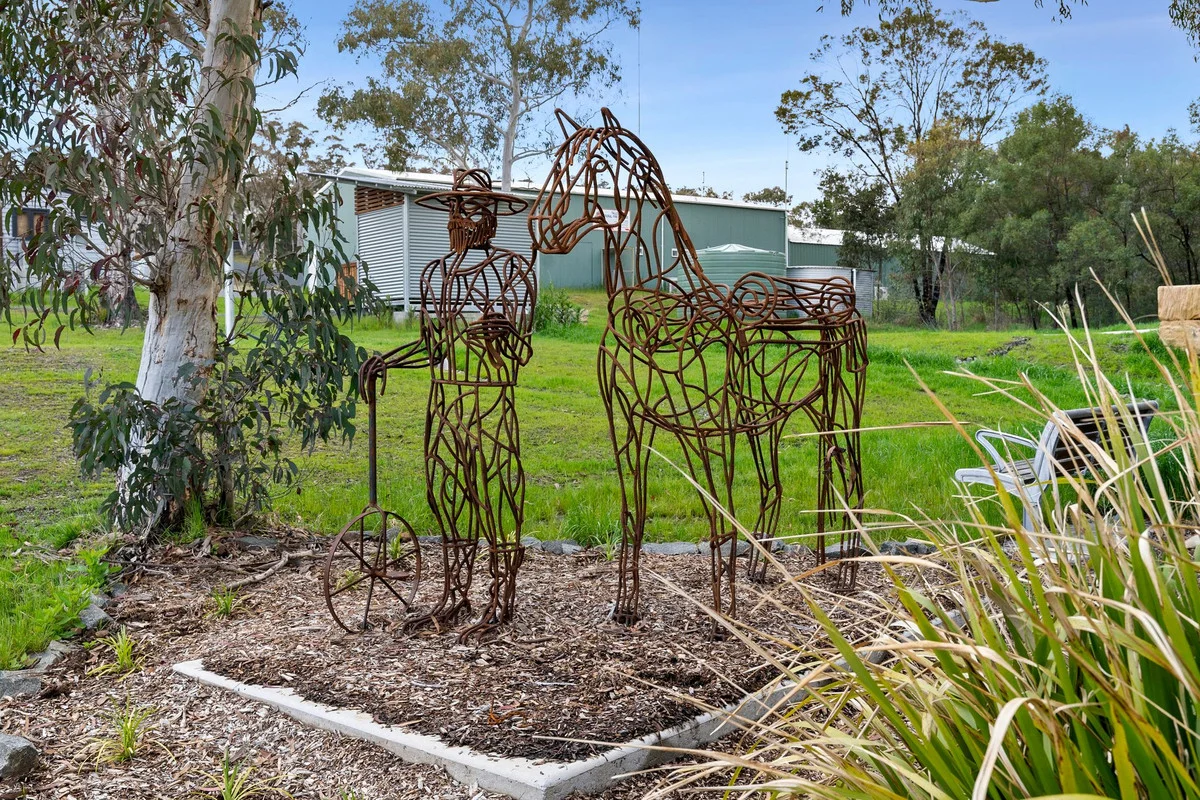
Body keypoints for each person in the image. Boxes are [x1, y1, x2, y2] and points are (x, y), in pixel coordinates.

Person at [359, 169, 537, 641]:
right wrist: (386, 362)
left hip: (493, 404)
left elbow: (523, 352)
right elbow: (431, 349)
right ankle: (456, 594)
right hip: (445, 407)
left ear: (491, 220)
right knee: (450, 502)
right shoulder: (436, 274)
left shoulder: (513, 271)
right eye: (456, 211)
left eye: (471, 212)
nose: (459, 221)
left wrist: (502, 335)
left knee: (494, 501)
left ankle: (500, 601)